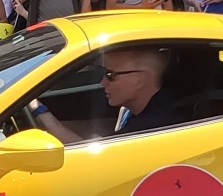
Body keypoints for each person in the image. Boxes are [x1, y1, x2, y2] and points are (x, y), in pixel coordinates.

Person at [27, 47, 180, 143]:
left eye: (110, 75)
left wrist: (36, 108)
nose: (103, 82)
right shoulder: (141, 108)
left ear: (139, 80)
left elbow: (86, 154)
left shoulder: (151, 128)